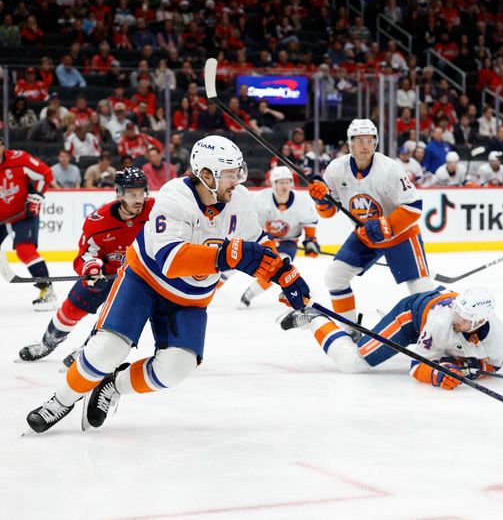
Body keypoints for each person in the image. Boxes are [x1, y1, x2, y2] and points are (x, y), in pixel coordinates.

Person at [25, 135, 311, 434]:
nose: (236, 180)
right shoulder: (174, 197)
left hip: (190, 297)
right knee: (108, 349)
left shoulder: (238, 198)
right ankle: (61, 400)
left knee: (177, 368)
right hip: (144, 281)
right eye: (229, 174)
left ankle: (113, 385)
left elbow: (257, 242)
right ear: (206, 174)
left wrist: (284, 274)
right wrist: (228, 255)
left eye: (237, 172)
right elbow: (171, 261)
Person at [308, 119, 435, 332]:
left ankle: (436, 334)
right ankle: (350, 331)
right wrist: (321, 201)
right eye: (359, 141)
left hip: (401, 235)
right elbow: (329, 212)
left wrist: (386, 225)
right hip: (365, 235)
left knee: (420, 290)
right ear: (350, 143)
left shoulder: (390, 169)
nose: (365, 146)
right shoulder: (335, 169)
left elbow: (414, 206)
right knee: (335, 277)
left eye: (370, 140)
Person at [19, 169, 153, 361]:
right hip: (106, 273)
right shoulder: (98, 221)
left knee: (115, 319)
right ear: (119, 193)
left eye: (142, 192)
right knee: (71, 308)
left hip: (138, 277)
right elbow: (85, 255)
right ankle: (47, 343)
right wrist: (92, 269)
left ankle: (87, 350)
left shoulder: (155, 211)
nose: (139, 199)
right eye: (132, 194)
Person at [280, 287, 503, 389]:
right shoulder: (443, 321)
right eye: (456, 310)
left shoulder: (498, 338)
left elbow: (494, 365)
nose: (454, 317)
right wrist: (437, 375)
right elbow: (417, 364)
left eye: (463, 317)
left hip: (433, 323)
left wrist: (472, 368)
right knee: (352, 363)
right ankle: (314, 317)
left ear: (479, 322)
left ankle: (370, 335)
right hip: (410, 318)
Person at [237, 166, 319, 308]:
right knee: (238, 260)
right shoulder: (260, 199)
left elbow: (309, 222)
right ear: (273, 184)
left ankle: (249, 294)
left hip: (289, 241)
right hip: (266, 239)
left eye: (287, 182)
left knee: (276, 268)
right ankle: (214, 290)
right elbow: (250, 220)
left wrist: (310, 241)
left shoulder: (301, 201)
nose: (284, 186)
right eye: (280, 182)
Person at [0, 138, 57, 310]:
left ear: (2, 146)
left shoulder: (20, 159)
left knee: (25, 250)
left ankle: (47, 290)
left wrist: (38, 195)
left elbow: (45, 174)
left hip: (22, 214)